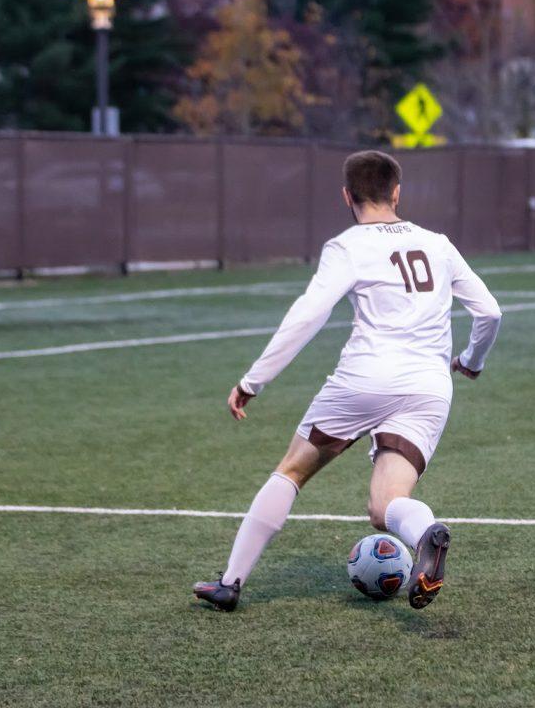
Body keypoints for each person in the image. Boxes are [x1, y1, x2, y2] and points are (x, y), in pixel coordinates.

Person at [193, 151, 502, 613]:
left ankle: (231, 582)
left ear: (347, 196)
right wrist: (471, 360)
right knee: (388, 506)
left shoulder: (349, 246)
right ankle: (425, 536)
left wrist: (254, 380)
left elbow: (308, 315)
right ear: (397, 192)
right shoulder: (438, 243)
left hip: (364, 379)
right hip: (428, 386)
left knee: (292, 471)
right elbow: (491, 311)